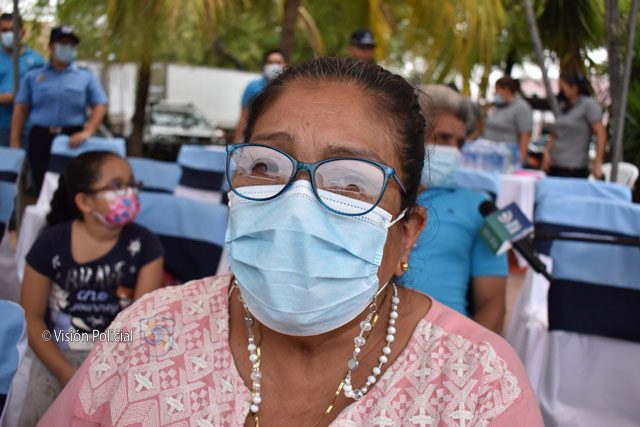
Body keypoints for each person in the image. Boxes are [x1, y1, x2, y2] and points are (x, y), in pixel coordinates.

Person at [41, 57, 543, 426]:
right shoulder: (148, 331)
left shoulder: (478, 387)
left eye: (351, 181)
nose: (297, 203)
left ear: (406, 233)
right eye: (265, 165)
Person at [19, 151, 164, 425]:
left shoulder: (146, 246)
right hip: (56, 353)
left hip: (117, 355)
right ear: (85, 201)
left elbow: (141, 322)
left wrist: (105, 375)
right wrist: (65, 373)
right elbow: (32, 318)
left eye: (132, 184)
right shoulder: (50, 243)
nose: (130, 193)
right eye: (117, 186)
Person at [399, 85, 508, 333]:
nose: (453, 151)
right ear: (412, 137)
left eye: (459, 142)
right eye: (444, 138)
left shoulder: (485, 209)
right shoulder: (383, 196)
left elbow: (494, 306)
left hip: (450, 343)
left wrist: (463, 354)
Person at [9, 25, 108, 195]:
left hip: (73, 137)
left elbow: (100, 104)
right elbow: (20, 108)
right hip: (41, 137)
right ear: (51, 46)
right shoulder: (34, 76)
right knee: (41, 187)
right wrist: (15, 141)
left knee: (73, 187)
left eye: (71, 44)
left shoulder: (85, 77)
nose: (67, 48)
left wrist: (88, 131)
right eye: (63, 43)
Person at [542, 72, 606, 179]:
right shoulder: (563, 106)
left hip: (573, 169)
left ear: (574, 88)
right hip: (554, 166)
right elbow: (555, 134)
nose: (561, 90)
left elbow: (601, 134)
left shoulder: (588, 105)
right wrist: (547, 153)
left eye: (563, 87)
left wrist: (597, 162)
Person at [0, 12, 44, 147]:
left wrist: (21, 97)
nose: (8, 34)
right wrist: (3, 98)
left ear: (22, 33)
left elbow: (43, 93)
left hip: (27, 126)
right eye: (4, 30)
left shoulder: (36, 60)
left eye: (12, 30)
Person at [232, 48, 287, 143]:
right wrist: (236, 144)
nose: (274, 66)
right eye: (270, 62)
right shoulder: (253, 87)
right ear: (264, 65)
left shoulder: (288, 88)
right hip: (255, 139)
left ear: (285, 65)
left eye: (278, 62)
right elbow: (243, 117)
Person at [483, 76, 533, 165]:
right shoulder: (499, 107)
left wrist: (520, 159)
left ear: (506, 90)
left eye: (497, 90)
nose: (495, 93)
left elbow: (525, 134)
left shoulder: (521, 107)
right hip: (491, 155)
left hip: (508, 157)